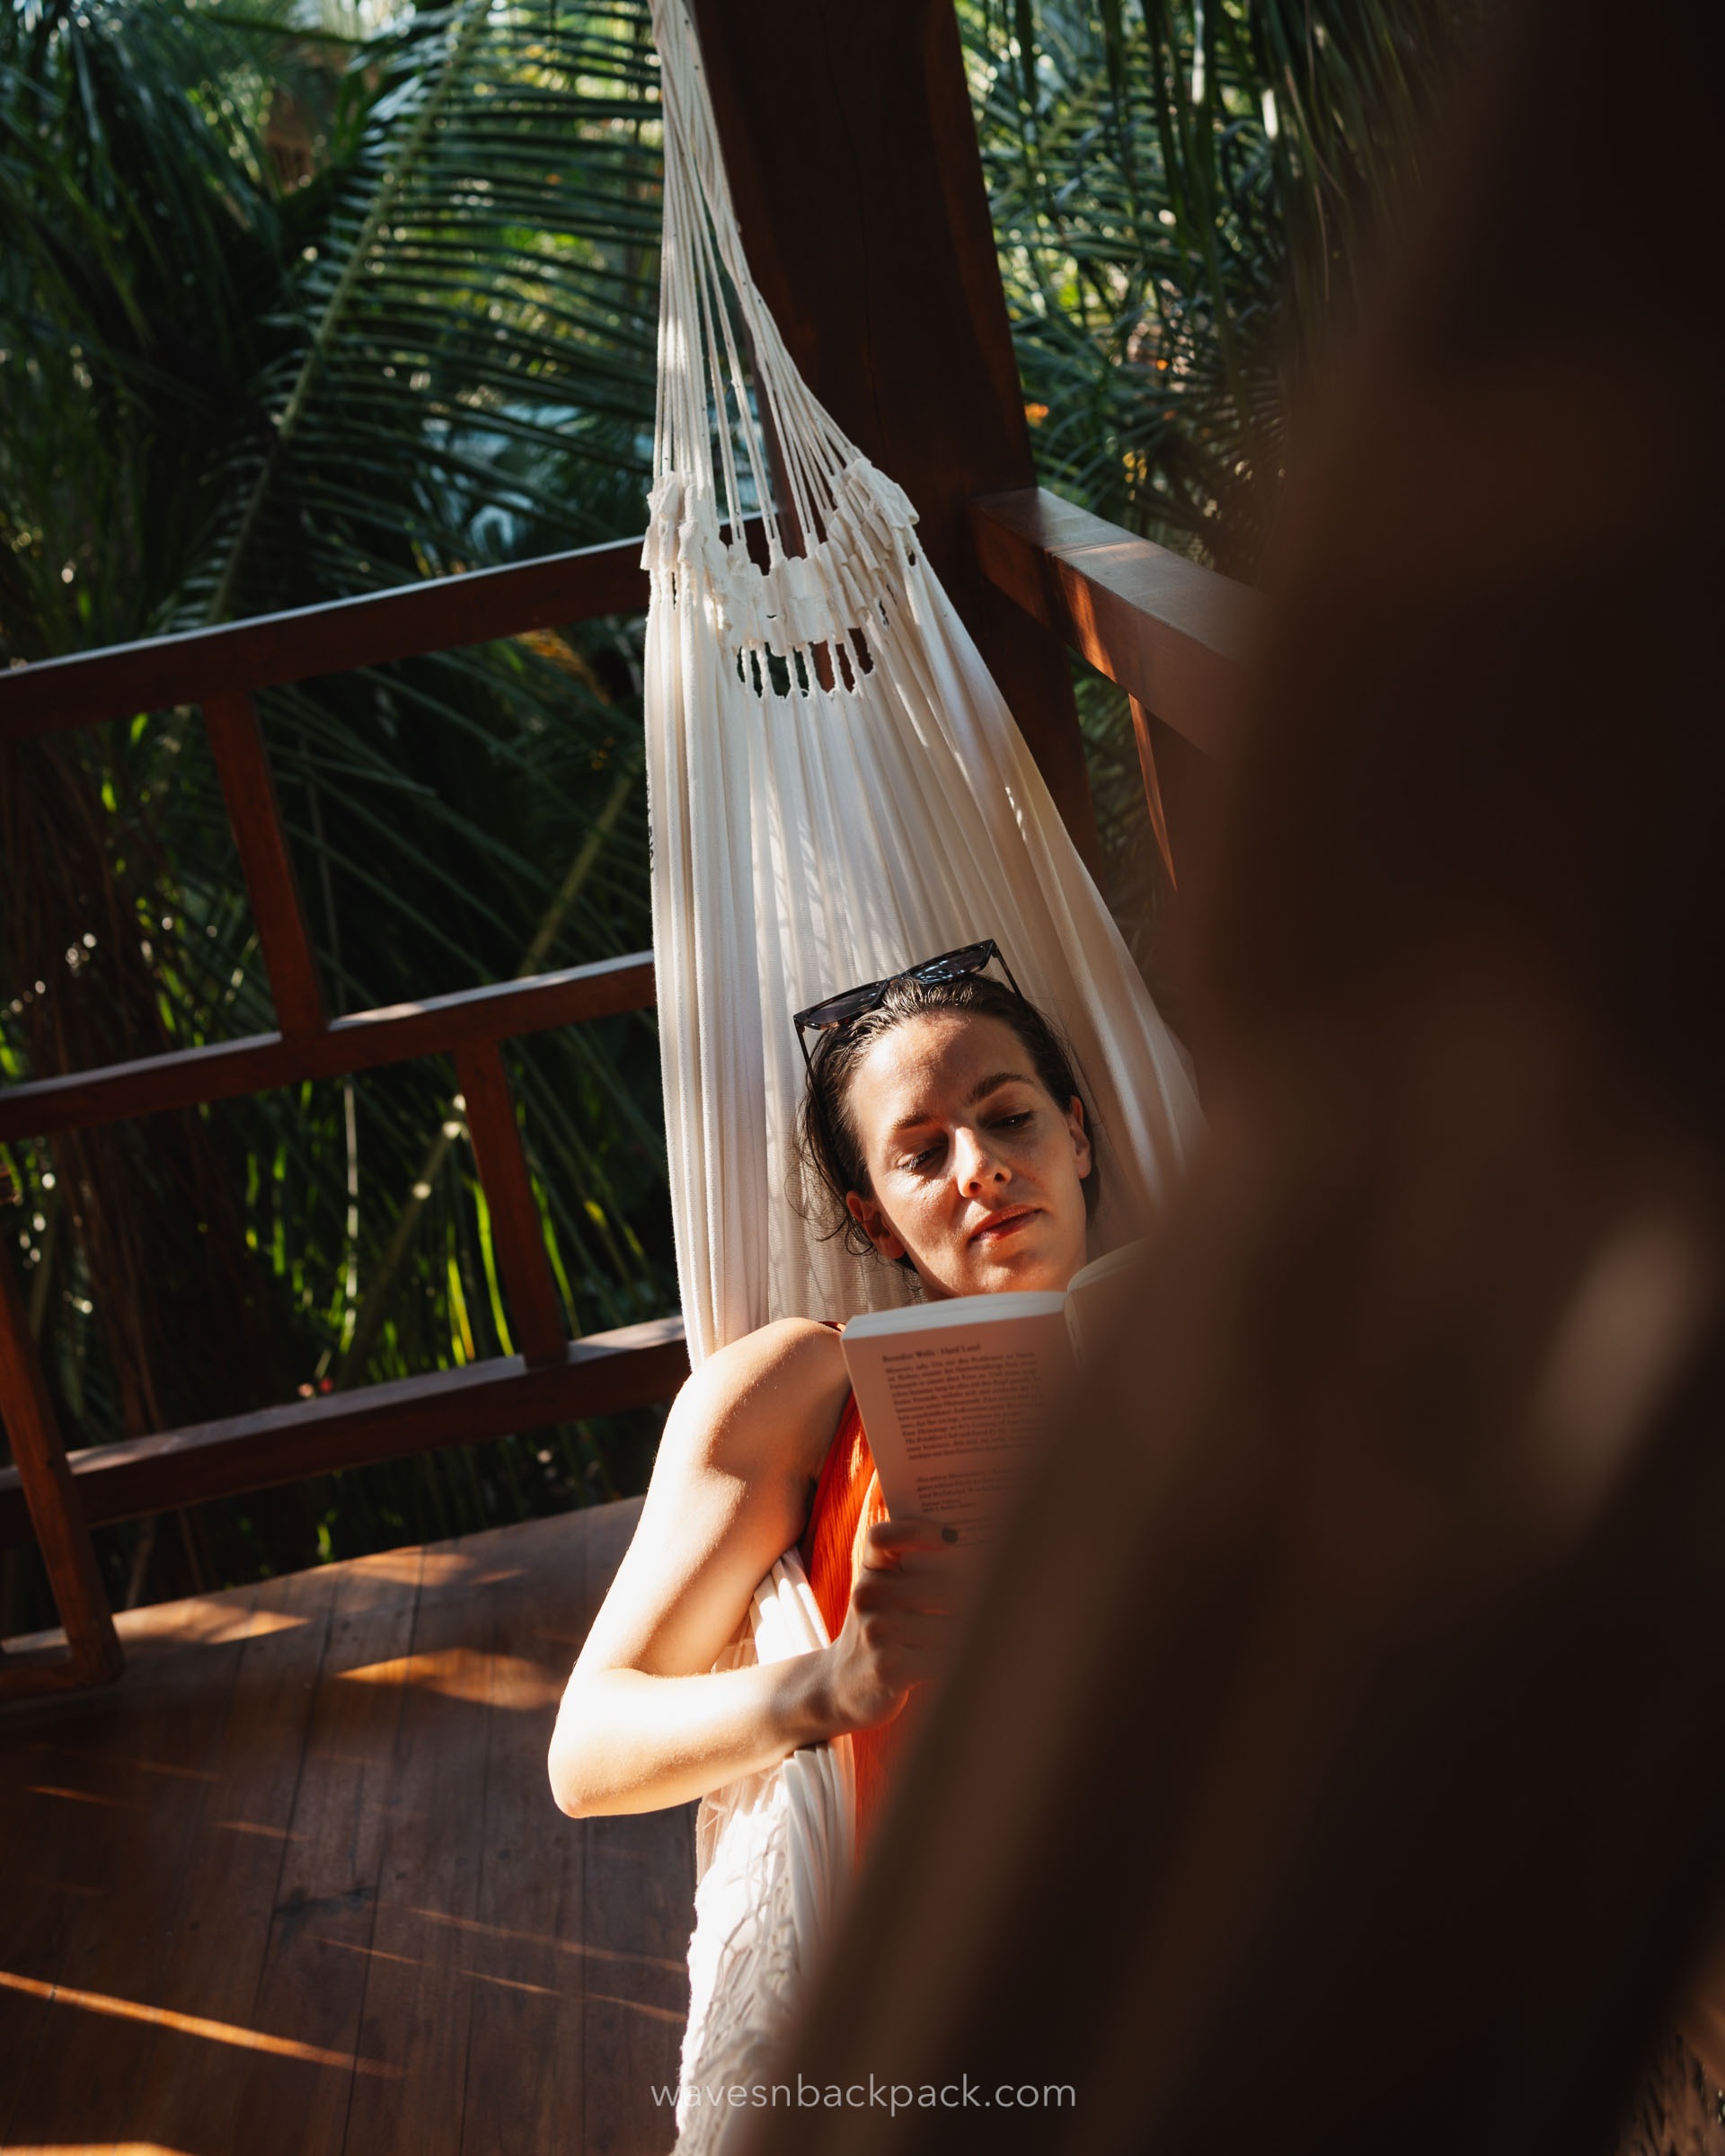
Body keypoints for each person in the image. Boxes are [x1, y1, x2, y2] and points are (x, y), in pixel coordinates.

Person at [546, 943, 1100, 1843]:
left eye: (1008, 1116)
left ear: (1074, 1135)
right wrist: (837, 1683)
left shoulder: (1211, 1321)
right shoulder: (802, 1385)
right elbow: (588, 1753)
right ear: (873, 1218)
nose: (980, 1167)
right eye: (921, 1156)